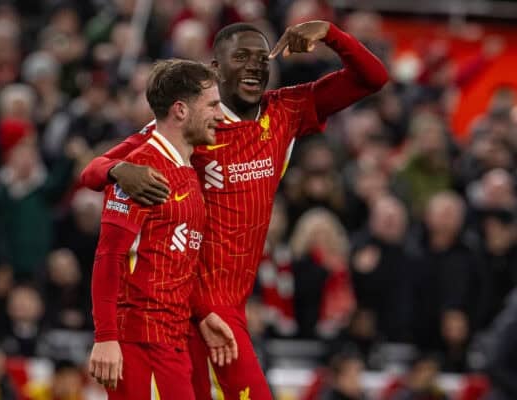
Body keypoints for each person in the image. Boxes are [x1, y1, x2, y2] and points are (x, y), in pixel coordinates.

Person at [82, 20, 388, 399]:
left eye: (262, 59)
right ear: (215, 67)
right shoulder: (192, 124)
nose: (254, 66)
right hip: (190, 309)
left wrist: (329, 34)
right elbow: (92, 172)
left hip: (231, 306)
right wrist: (117, 168)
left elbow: (373, 78)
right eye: (240, 56)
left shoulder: (286, 112)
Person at [88, 59, 237, 399]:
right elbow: (110, 254)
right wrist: (107, 337)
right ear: (181, 110)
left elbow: (176, 260)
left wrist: (201, 314)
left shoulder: (185, 169)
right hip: (142, 343)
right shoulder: (141, 168)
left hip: (173, 340)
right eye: (213, 105)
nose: (220, 115)